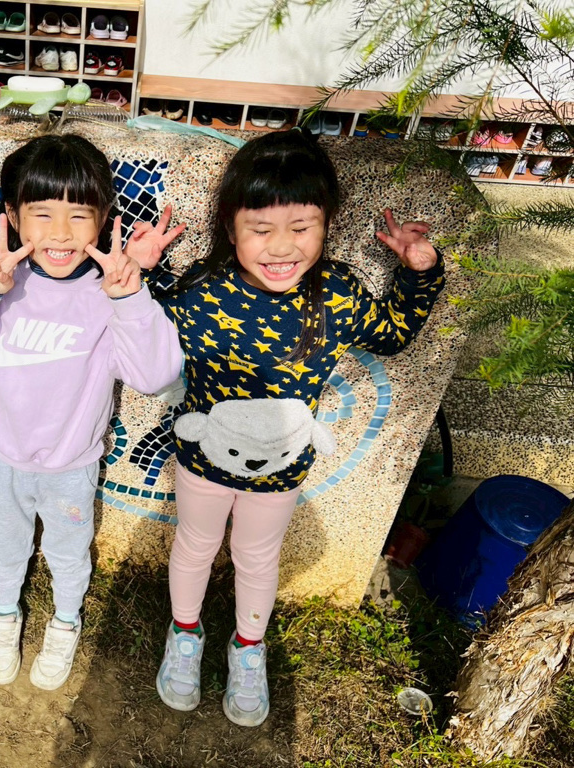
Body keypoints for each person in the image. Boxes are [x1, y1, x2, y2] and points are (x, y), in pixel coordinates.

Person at [139, 128, 444, 726]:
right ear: (230, 228)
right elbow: (146, 334)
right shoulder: (200, 290)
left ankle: (248, 648)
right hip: (202, 463)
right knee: (194, 545)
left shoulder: (338, 294)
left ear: (327, 225)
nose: (282, 247)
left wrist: (420, 272)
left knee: (258, 556)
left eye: (302, 227)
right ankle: (185, 634)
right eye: (261, 229)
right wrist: (142, 272)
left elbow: (392, 336)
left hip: (281, 470)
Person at [0, 134, 184, 691]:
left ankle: (65, 621)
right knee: (6, 545)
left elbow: (155, 375)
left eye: (78, 215)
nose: (61, 233)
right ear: (13, 217)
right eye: (42, 214)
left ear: (103, 220)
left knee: (68, 551)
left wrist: (131, 297)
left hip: (72, 466)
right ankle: (4, 614)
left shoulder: (109, 294)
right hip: (1, 460)